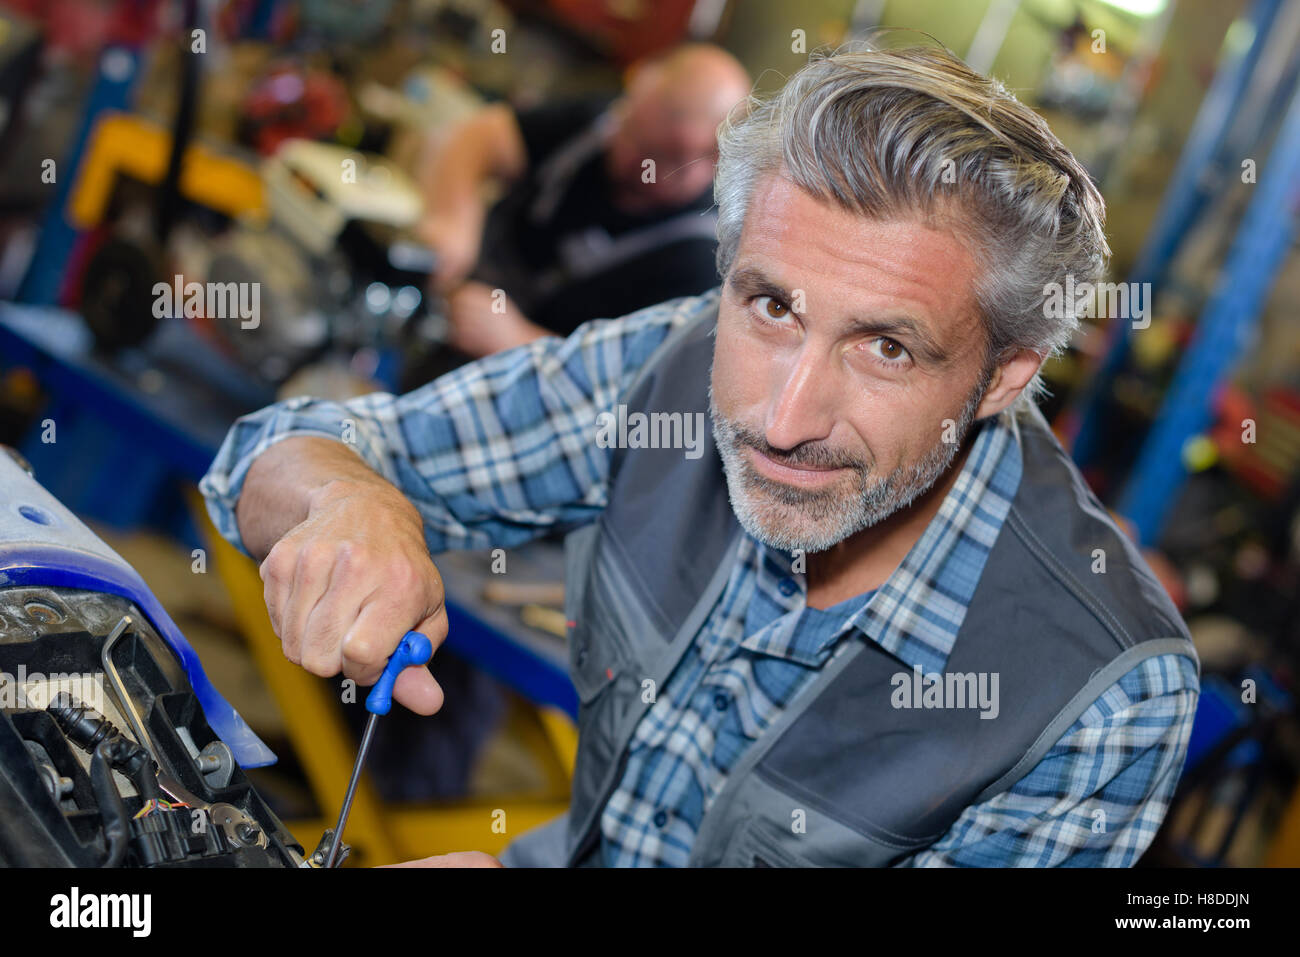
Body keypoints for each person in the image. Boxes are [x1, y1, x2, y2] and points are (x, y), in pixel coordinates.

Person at [200, 42, 1200, 867]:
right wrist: (347, 502)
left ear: (1002, 379)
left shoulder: (1096, 691)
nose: (782, 416)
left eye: (885, 347)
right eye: (771, 307)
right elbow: (278, 449)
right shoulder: (670, 371)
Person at [417, 42, 750, 358]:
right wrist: (454, 221)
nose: (627, 152)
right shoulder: (598, 124)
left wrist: (518, 342)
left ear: (715, 160)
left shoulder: (700, 265)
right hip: (444, 310)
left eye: (656, 153)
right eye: (630, 127)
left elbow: (632, 383)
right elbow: (481, 136)